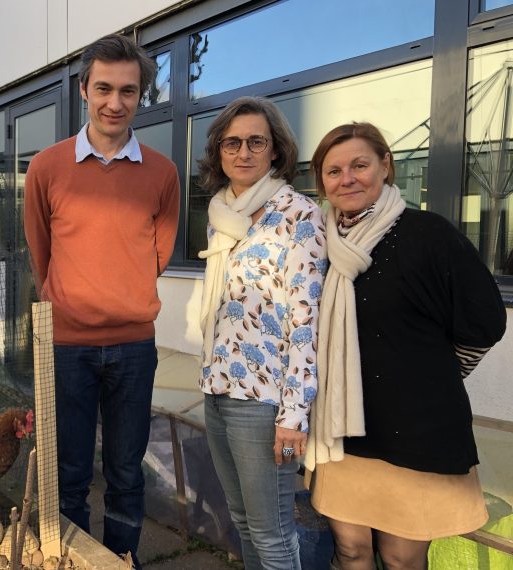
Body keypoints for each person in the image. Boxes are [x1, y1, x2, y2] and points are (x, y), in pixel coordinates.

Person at [305, 122, 507, 570]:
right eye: (334, 171)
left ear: (385, 167)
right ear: (322, 181)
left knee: (400, 558)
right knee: (351, 551)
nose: (347, 178)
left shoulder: (426, 233)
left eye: (360, 165)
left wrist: (435, 377)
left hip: (414, 432)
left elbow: (486, 320)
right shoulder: (318, 243)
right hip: (343, 427)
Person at [23, 34, 180, 568]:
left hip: (136, 346)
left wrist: (124, 292)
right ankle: (73, 558)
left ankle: (121, 557)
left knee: (126, 471)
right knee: (68, 470)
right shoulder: (46, 168)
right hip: (68, 347)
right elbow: (40, 252)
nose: (116, 102)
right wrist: (77, 299)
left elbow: (158, 252)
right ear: (85, 91)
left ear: (141, 97)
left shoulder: (162, 172)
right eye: (105, 88)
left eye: (129, 91)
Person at [197, 95, 327, 569]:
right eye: (232, 143)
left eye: (257, 141)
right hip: (216, 388)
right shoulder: (221, 216)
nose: (243, 151)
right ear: (219, 152)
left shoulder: (299, 215)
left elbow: (305, 323)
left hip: (265, 401)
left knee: (272, 535)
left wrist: (293, 414)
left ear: (276, 150)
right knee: (242, 519)